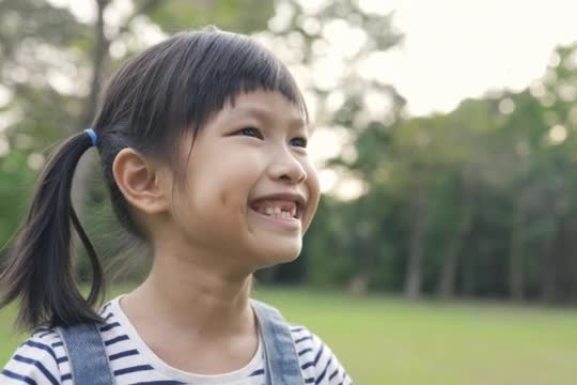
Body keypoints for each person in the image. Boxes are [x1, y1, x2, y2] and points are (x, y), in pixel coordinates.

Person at [0, 27, 353, 385]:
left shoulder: (310, 365)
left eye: (298, 140)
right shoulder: (54, 370)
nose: (293, 167)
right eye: (251, 132)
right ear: (145, 180)